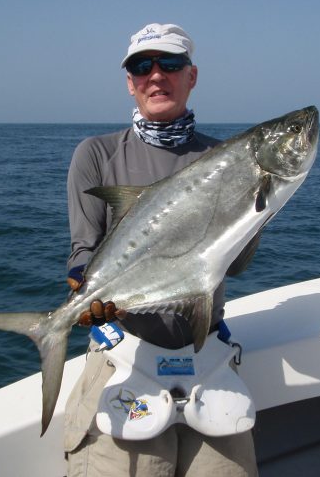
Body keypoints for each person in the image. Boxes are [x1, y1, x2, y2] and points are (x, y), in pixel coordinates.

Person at [65, 23, 259, 477]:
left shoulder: (226, 158)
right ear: (130, 82)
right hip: (123, 357)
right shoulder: (96, 154)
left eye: (170, 64)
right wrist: (82, 290)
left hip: (209, 358)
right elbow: (82, 251)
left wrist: (258, 204)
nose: (157, 75)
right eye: (142, 66)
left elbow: (242, 264)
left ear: (191, 76)